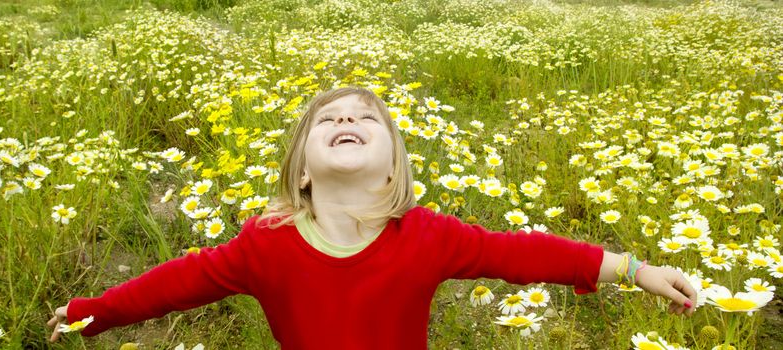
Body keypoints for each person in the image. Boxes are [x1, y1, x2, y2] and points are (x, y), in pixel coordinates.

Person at [47, 87, 697, 348]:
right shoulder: (263, 245)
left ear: (393, 170)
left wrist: (634, 269)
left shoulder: (429, 236)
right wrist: (96, 310)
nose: (346, 120)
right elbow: (175, 283)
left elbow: (524, 253)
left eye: (365, 118)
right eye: (327, 120)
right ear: (302, 169)